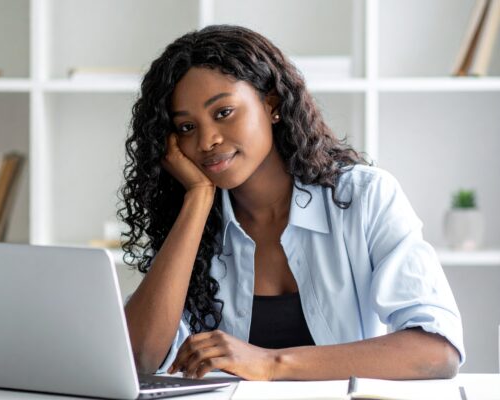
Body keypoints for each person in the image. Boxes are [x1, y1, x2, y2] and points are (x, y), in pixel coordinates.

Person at [119, 25, 464, 381]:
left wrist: (270, 363)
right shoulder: (197, 222)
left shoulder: (364, 197)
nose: (207, 140)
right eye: (187, 128)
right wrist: (198, 198)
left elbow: (436, 353)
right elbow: (136, 360)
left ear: (272, 105)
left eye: (223, 113)